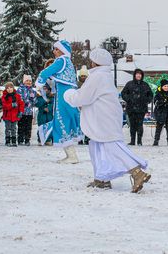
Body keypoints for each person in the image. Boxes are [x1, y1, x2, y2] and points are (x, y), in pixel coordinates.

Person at [63, 48, 151, 192]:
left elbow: (83, 97)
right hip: (106, 116)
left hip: (102, 118)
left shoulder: (97, 77)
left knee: (111, 146)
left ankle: (137, 172)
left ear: (95, 62)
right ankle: (101, 179)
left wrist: (69, 95)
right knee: (96, 146)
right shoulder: (105, 75)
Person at [37, 40, 82, 163]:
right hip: (70, 94)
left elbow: (45, 72)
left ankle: (72, 156)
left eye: (56, 49)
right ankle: (71, 154)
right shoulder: (69, 62)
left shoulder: (61, 60)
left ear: (62, 50)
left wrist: (39, 83)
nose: (54, 51)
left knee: (61, 120)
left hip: (64, 96)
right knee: (64, 120)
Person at [121, 69, 152, 146]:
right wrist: (129, 99)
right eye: (137, 74)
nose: (138, 75)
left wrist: (146, 100)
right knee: (132, 125)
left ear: (142, 75)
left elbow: (150, 95)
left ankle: (139, 141)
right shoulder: (129, 84)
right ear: (134, 75)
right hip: (131, 108)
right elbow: (123, 93)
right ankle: (132, 140)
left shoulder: (145, 85)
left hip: (141, 109)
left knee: (140, 125)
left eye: (140, 74)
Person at [152, 79, 168, 146]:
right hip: (160, 113)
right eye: (165, 86)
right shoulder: (158, 93)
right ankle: (156, 140)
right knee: (159, 127)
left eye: (167, 86)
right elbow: (156, 103)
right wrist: (163, 101)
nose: (166, 87)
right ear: (162, 87)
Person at [1, 82, 24, 147]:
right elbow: (4, 106)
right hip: (7, 115)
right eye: (7, 88)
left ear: (13, 88)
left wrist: (21, 111)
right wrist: (11, 105)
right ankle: (7, 140)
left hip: (15, 115)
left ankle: (14, 140)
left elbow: (21, 104)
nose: (9, 89)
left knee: (14, 128)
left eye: (11, 87)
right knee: (8, 128)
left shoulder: (17, 96)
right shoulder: (4, 96)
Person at [19, 75, 37, 146]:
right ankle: (20, 139)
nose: (28, 82)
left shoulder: (33, 91)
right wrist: (27, 101)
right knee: (21, 126)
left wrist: (33, 100)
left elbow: (35, 101)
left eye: (30, 81)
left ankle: (27, 139)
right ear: (24, 82)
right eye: (27, 81)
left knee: (28, 127)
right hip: (22, 112)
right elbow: (20, 98)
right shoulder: (20, 89)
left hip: (29, 112)